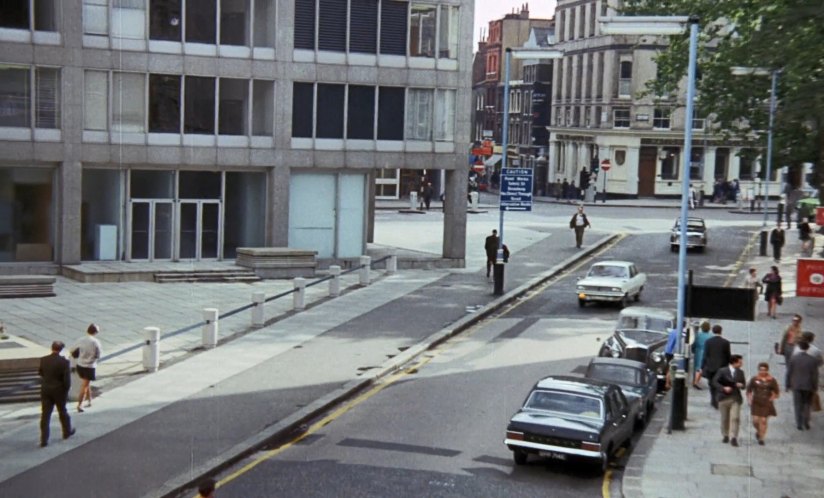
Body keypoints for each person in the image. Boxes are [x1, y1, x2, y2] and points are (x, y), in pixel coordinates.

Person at [39, 341, 75, 447]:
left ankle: (44, 439)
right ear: (61, 350)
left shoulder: (43, 359)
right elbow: (66, 380)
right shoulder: (64, 362)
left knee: (45, 415)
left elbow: (41, 373)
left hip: (46, 389)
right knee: (62, 411)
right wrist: (66, 390)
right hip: (59, 390)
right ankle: (66, 432)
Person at [712, 354, 746, 446]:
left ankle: (734, 437)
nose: (741, 363)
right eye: (740, 362)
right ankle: (725, 434)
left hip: (735, 397)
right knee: (725, 418)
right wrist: (723, 388)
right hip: (723, 398)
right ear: (734, 362)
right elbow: (714, 382)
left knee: (735, 418)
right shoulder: (722, 371)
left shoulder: (740, 372)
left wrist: (741, 385)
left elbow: (744, 384)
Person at [787, 341, 819, 430]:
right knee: (807, 404)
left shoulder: (793, 359)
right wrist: (815, 386)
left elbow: (789, 373)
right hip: (808, 385)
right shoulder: (813, 360)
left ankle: (799, 423)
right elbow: (815, 375)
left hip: (796, 385)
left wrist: (787, 384)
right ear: (808, 348)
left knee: (797, 404)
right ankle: (806, 421)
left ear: (799, 347)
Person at [746, 362, 779, 445]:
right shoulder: (754, 379)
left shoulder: (771, 380)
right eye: (761, 370)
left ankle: (761, 438)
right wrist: (749, 399)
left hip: (766, 402)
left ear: (767, 370)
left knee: (763, 420)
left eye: (764, 370)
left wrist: (772, 397)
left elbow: (776, 392)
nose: (762, 372)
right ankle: (758, 431)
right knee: (755, 421)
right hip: (756, 402)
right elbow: (749, 390)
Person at [73, 323, 102, 412]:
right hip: (90, 366)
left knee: (86, 382)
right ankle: (80, 404)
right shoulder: (96, 342)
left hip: (80, 364)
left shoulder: (80, 339)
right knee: (84, 385)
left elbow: (73, 350)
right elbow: (98, 354)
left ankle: (90, 400)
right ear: (96, 332)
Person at [702, 324, 731, 409]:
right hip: (721, 367)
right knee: (719, 383)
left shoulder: (708, 342)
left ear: (712, 331)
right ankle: (718, 399)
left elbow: (705, 355)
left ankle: (713, 399)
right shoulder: (726, 342)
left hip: (710, 367)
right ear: (721, 331)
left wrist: (702, 366)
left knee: (711, 384)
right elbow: (728, 355)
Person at [778, 314, 803, 381]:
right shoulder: (788, 328)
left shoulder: (800, 330)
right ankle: (788, 380)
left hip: (796, 348)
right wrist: (780, 348)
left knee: (795, 364)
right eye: (793, 320)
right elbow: (783, 338)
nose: (794, 322)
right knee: (788, 364)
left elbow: (802, 341)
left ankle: (794, 378)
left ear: (799, 321)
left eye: (796, 320)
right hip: (788, 347)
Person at [692, 321, 712, 389]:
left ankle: (695, 380)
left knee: (697, 367)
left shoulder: (698, 335)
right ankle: (696, 382)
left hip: (698, 352)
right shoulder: (710, 336)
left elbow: (694, 343)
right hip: (706, 352)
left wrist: (693, 350)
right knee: (701, 368)